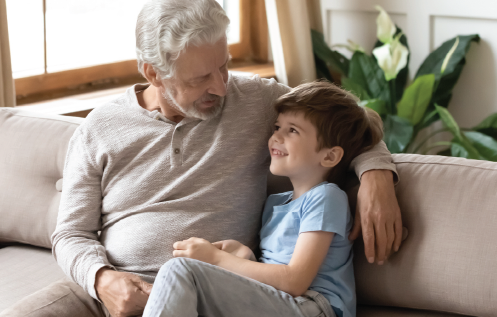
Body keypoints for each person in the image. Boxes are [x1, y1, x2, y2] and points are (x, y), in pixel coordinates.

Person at [49, 0, 403, 316]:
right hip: (110, 295)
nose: (221, 86)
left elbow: (349, 119)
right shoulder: (98, 128)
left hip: (215, 294)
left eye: (224, 66)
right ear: (153, 73)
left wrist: (376, 175)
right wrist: (101, 279)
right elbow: (69, 234)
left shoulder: (254, 100)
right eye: (202, 77)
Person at [141, 80, 383, 317]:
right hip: (284, 302)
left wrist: (217, 259)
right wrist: (247, 257)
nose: (276, 137)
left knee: (182, 271)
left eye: (293, 130)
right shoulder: (274, 204)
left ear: (330, 156)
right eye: (277, 127)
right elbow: (274, 282)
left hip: (314, 306)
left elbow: (295, 280)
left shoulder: (326, 197)